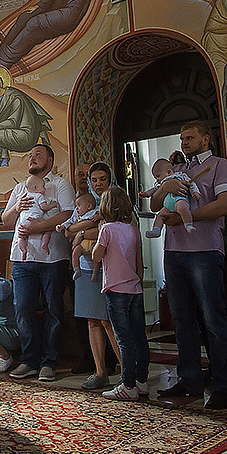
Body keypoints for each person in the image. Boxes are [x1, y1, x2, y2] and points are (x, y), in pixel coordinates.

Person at [150, 120, 227, 409]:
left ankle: (224, 384)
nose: (184, 142)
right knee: (182, 319)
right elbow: (154, 206)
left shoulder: (220, 166)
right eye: (182, 138)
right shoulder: (177, 170)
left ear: (206, 139)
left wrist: (186, 217)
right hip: (174, 252)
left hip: (205, 251)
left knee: (213, 318)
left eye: (190, 137)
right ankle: (189, 380)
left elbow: (225, 205)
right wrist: (166, 189)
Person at [2, 144, 75, 382]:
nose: (32, 158)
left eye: (38, 155)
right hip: (22, 258)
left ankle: (49, 362)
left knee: (54, 310)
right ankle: (29, 360)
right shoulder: (20, 188)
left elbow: (67, 214)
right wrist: (16, 207)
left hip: (52, 257)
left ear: (50, 160)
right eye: (30, 155)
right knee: (23, 309)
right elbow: (6, 221)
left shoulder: (60, 184)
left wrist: (37, 227)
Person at [61, 162, 122, 390]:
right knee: (92, 320)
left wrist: (82, 231)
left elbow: (115, 227)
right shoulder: (84, 204)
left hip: (110, 266)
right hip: (86, 268)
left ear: (110, 180)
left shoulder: (117, 200)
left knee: (109, 321)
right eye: (93, 180)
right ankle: (100, 371)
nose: (98, 184)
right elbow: (67, 230)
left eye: (102, 179)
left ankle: (127, 372)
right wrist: (82, 230)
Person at [91, 187, 150, 401]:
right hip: (135, 288)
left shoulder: (107, 229)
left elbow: (97, 256)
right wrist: (138, 283)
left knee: (123, 338)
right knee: (139, 337)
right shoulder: (133, 228)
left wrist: (98, 235)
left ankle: (128, 384)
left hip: (116, 289)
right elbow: (139, 260)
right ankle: (142, 381)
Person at [139, 158, 202, 238]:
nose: (157, 180)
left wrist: (195, 192)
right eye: (155, 178)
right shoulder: (162, 183)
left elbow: (191, 184)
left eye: (158, 176)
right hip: (167, 205)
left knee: (183, 208)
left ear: (168, 172)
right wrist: (146, 194)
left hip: (179, 199)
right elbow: (154, 190)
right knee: (160, 215)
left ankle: (188, 224)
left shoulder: (180, 175)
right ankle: (156, 230)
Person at [17, 174, 60, 259]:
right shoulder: (39, 196)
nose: (45, 189)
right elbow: (44, 207)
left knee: (21, 236)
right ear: (35, 188)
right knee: (47, 230)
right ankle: (45, 244)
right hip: (35, 219)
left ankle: (23, 249)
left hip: (23, 221)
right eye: (43, 186)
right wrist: (52, 205)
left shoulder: (24, 196)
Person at [57, 191, 97, 280]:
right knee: (75, 252)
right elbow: (69, 228)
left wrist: (97, 219)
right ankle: (76, 269)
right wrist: (62, 226)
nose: (76, 208)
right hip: (81, 244)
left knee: (95, 253)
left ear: (89, 206)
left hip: (92, 242)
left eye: (78, 206)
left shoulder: (94, 213)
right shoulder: (77, 215)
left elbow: (98, 225)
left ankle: (96, 270)